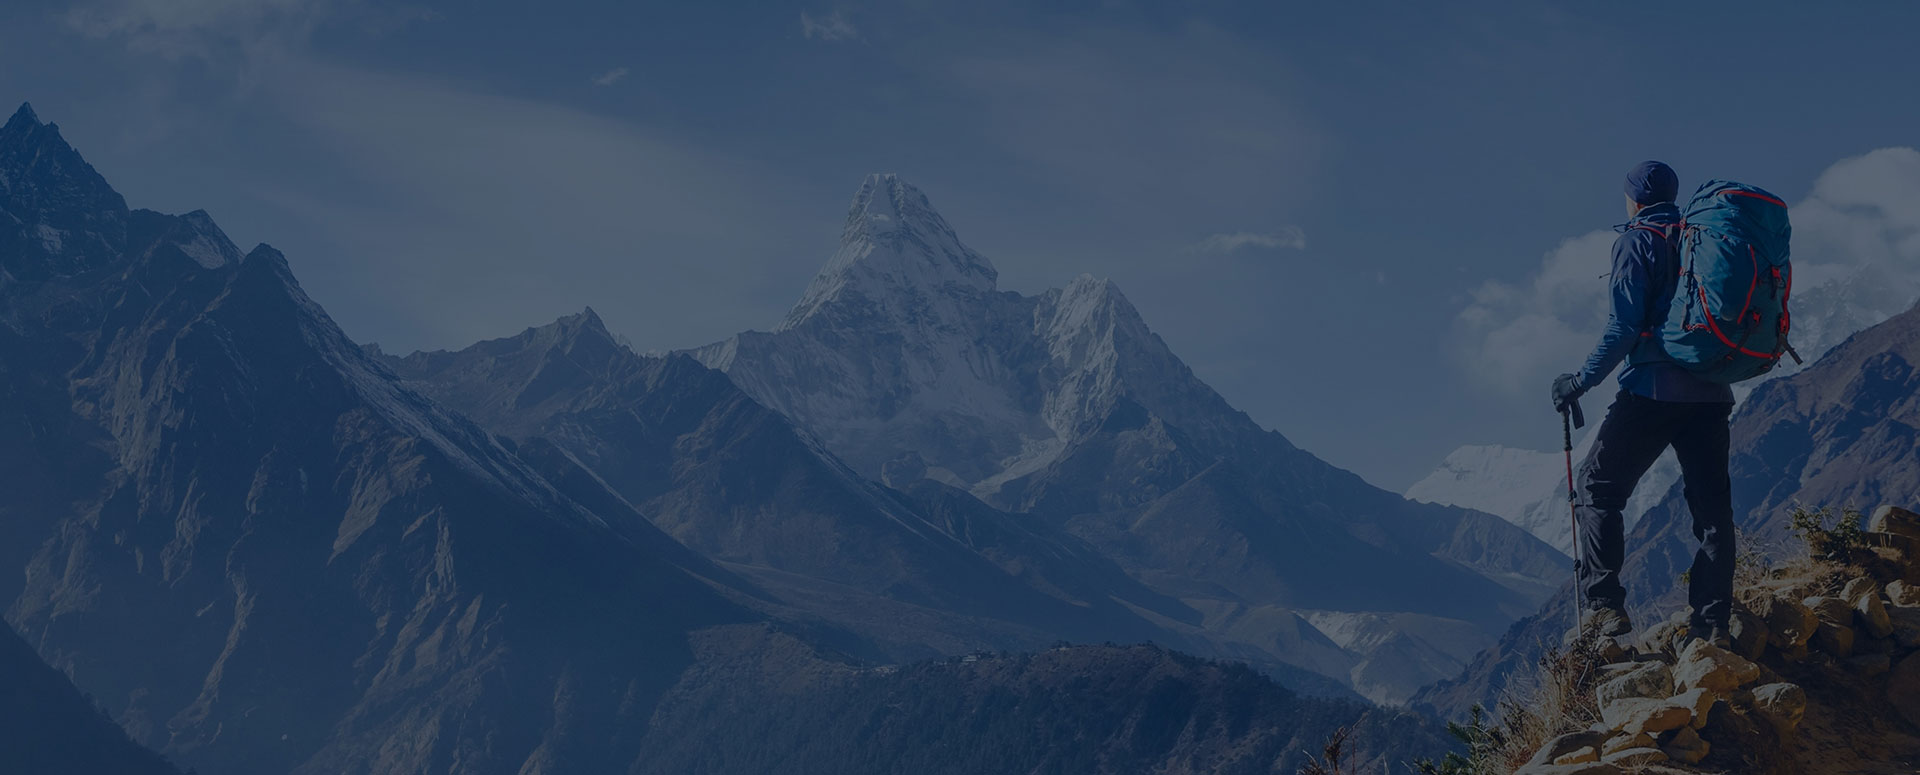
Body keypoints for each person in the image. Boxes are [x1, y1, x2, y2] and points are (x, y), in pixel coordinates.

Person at [1551, 160, 1736, 648]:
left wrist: (1579, 381)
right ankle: (1713, 624)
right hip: (1712, 394)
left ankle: (1605, 609)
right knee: (1713, 513)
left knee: (1598, 488)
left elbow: (1624, 327)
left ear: (1633, 199)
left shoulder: (1638, 241)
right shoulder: (1705, 239)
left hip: (1652, 392)